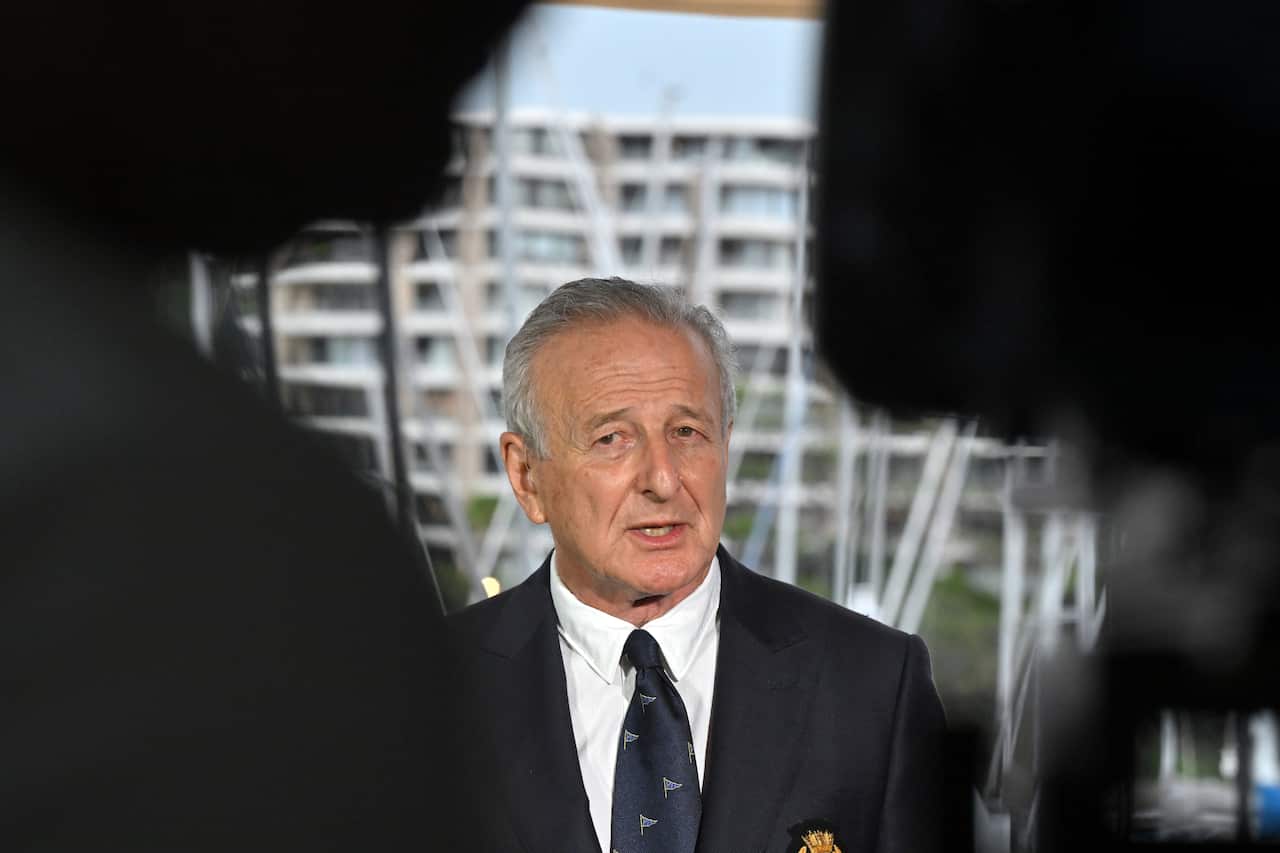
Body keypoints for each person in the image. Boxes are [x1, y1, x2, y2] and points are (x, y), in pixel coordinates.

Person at [448, 278, 946, 853]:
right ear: (527, 476)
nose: (663, 479)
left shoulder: (875, 686)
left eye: (688, 433)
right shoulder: (422, 691)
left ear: (725, 445)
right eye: (612, 438)